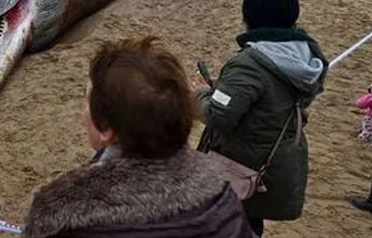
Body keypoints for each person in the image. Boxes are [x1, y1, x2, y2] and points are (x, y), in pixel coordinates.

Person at [23, 37, 253, 238]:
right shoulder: (222, 195)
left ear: (105, 128)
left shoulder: (58, 218)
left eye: (86, 100)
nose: (82, 110)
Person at [196, 0, 328, 237]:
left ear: (249, 16)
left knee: (225, 222)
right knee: (248, 220)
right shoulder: (304, 57)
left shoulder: (250, 64)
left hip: (240, 166)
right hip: (274, 161)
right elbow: (273, 100)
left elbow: (218, 117)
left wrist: (201, 94)